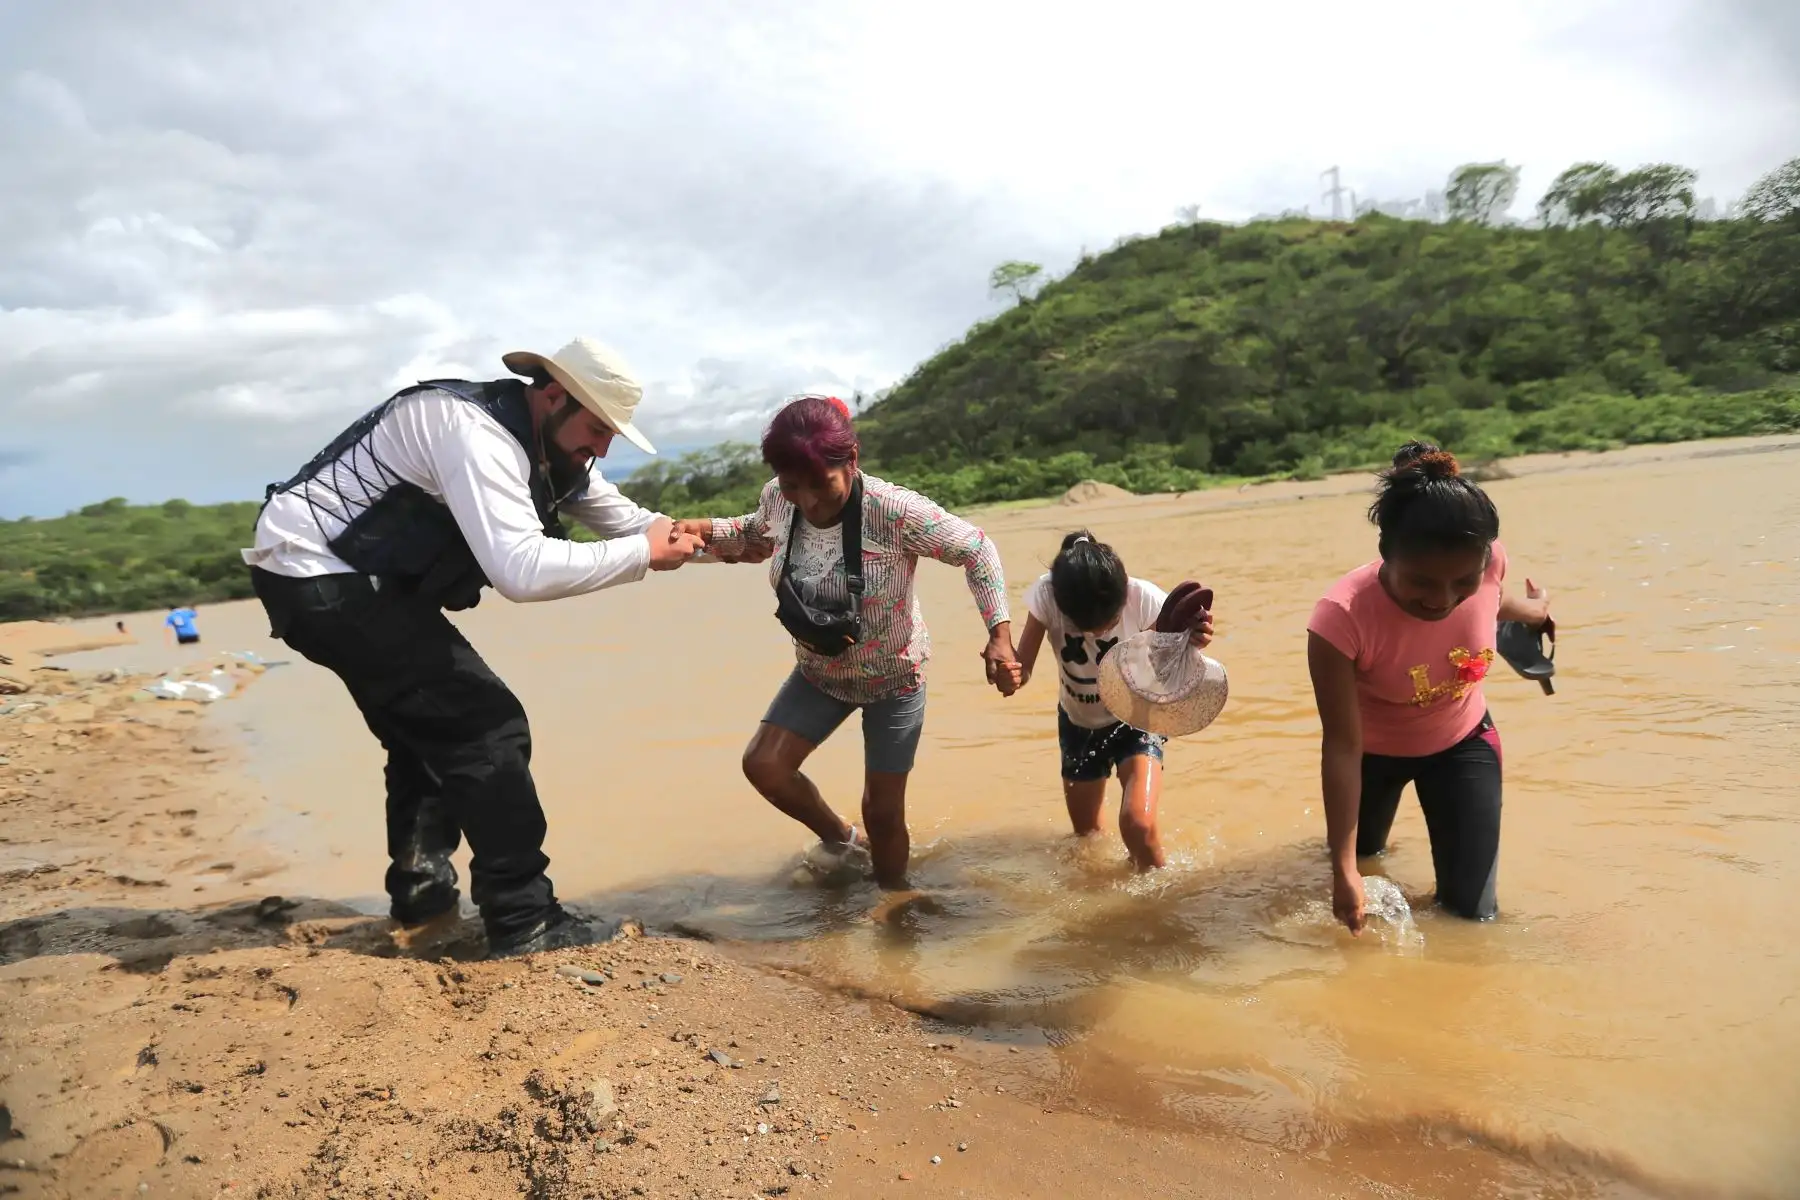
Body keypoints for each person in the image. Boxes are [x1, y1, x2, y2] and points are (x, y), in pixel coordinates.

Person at [240, 337, 736, 959]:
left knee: (427, 731)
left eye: (613, 434)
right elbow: (521, 570)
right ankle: (526, 920)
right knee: (487, 728)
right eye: (598, 427)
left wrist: (719, 540)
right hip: (319, 574)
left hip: (335, 578)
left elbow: (627, 520)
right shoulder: (475, 433)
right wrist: (645, 557)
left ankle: (424, 898)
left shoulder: (549, 445)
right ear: (552, 394)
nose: (604, 445)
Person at [699, 395, 1018, 890]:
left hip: (894, 677)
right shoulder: (779, 499)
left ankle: (894, 905)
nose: (807, 501)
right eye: (792, 485)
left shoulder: (893, 512)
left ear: (851, 461)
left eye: (820, 485)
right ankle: (842, 839)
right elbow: (754, 532)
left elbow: (976, 549)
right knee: (764, 765)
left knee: (883, 811)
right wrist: (702, 533)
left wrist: (999, 635)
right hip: (819, 672)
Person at [1305, 441, 1552, 933]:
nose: (1442, 600)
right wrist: (1344, 870)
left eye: (1461, 581)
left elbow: (1492, 601)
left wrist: (1538, 612)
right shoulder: (1341, 620)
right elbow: (1341, 746)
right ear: (1385, 555)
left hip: (1463, 741)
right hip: (1371, 756)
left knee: (1471, 916)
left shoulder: (1488, 565)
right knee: (1365, 858)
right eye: (1421, 583)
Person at [1004, 531, 1214, 871]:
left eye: (1110, 623)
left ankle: (1161, 905)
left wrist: (1196, 640)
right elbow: (1022, 668)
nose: (1100, 634)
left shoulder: (1143, 597)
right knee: (1088, 840)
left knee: (1139, 825)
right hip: (1078, 725)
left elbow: (1175, 662)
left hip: (1138, 720)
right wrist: (1010, 673)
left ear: (1123, 595)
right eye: (1088, 628)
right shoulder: (1048, 594)